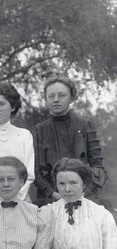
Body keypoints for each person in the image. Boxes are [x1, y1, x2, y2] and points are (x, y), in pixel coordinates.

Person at [33, 75, 108, 207]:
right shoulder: (39, 131)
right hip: (51, 199)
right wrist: (54, 195)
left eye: (61, 95)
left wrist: (83, 192)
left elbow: (98, 169)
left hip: (85, 197)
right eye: (51, 96)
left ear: (72, 98)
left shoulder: (85, 125)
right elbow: (36, 172)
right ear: (45, 99)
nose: (56, 100)